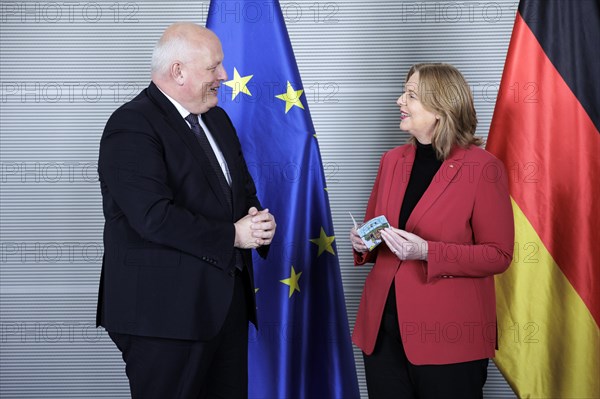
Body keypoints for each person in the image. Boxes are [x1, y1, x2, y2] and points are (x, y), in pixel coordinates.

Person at [96, 22, 276, 398]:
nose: (224, 76)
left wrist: (257, 222)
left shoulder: (217, 120)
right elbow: (152, 217)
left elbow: (240, 193)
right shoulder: (131, 125)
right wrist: (233, 234)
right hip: (162, 316)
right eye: (214, 67)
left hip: (224, 307)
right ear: (178, 71)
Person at [350, 63, 514, 398]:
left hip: (449, 338)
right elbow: (374, 232)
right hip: (383, 332)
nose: (399, 101)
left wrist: (427, 251)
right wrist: (362, 242)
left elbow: (498, 254)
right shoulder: (392, 160)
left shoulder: (483, 169)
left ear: (441, 108)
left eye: (410, 95)